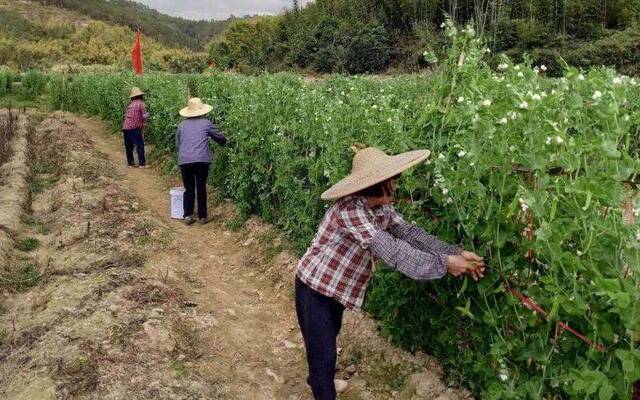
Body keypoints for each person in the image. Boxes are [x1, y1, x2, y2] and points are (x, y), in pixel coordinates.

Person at [295, 147, 485, 400]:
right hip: (313, 287)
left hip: (336, 290)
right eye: (392, 181)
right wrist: (445, 264)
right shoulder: (351, 211)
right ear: (377, 184)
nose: (396, 186)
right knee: (325, 352)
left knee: (325, 342)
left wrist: (455, 252)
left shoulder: (381, 208)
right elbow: (393, 252)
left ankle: (317, 376)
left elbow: (410, 234)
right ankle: (321, 385)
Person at [176, 98, 227, 225]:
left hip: (185, 160)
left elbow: (178, 145)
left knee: (189, 188)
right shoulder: (206, 123)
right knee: (201, 187)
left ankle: (188, 215)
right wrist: (224, 142)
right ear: (202, 111)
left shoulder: (182, 125)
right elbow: (220, 137)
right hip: (201, 160)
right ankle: (203, 216)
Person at [122, 87, 150, 168]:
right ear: (141, 96)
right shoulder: (141, 104)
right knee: (139, 145)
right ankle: (142, 164)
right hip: (134, 128)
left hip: (125, 127)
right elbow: (145, 116)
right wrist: (147, 117)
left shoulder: (130, 105)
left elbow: (126, 116)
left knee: (129, 146)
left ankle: (130, 163)